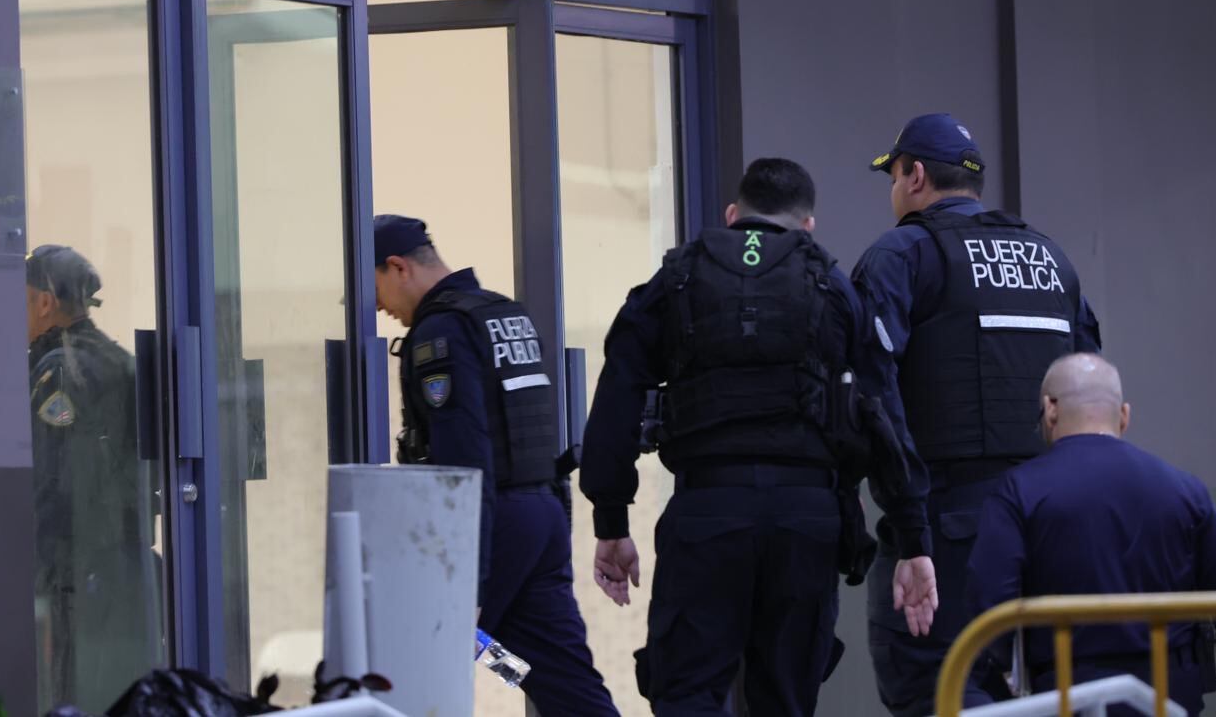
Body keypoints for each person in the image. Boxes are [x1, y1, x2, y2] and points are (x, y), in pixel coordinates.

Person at [579, 159, 938, 716]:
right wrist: (913, 536)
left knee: (688, 693)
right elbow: (882, 409)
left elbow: (618, 392)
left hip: (706, 513)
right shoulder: (833, 284)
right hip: (807, 518)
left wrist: (611, 520)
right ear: (808, 225)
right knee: (786, 700)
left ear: (731, 215)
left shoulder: (676, 278)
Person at [854, 113, 1102, 715]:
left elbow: (870, 394)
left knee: (933, 684)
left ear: (913, 175)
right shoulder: (1050, 260)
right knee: (1047, 692)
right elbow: (1089, 379)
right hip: (1054, 524)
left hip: (947, 524)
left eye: (893, 175)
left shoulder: (902, 254)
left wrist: (910, 527)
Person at [373, 215, 617, 717]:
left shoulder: (439, 331)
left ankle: (487, 649)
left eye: (373, 287)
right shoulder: (503, 313)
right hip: (539, 517)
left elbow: (467, 464)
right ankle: (511, 668)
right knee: (553, 675)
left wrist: (472, 586)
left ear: (396, 267)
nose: (377, 306)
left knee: (421, 661)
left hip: (492, 525)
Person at [967, 353, 1216, 716]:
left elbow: (990, 603)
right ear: (1124, 415)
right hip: (1170, 695)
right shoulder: (1187, 490)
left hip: (1068, 695)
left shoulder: (1018, 490)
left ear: (1050, 409)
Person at [27, 244, 160, 712]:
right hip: (121, 570)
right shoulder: (125, 364)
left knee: (69, 695)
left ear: (44, 302)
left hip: (73, 577)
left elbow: (49, 485)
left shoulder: (57, 371)